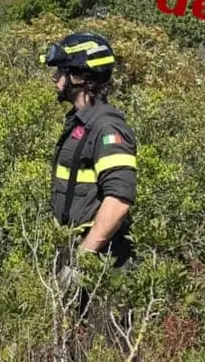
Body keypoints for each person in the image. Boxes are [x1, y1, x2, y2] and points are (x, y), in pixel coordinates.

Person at [40, 31, 138, 270]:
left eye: (61, 71)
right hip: (75, 253)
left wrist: (83, 257)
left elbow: (118, 200)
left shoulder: (107, 128)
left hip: (100, 265)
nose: (55, 78)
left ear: (79, 76)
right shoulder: (80, 121)